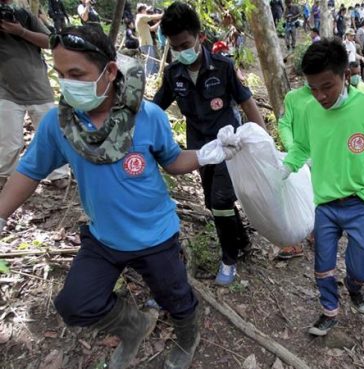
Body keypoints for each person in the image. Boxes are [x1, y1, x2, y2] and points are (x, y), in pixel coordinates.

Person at [0, 25, 239, 369]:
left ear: (109, 71)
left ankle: (188, 336)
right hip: (104, 238)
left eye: (77, 74)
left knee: (176, 300)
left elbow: (172, 162)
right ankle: (134, 326)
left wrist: (206, 153)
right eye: (62, 74)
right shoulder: (59, 124)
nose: (68, 84)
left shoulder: (148, 117)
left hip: (155, 235)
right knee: (75, 305)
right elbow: (29, 171)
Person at [281, 38, 364, 336]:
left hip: (361, 202)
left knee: (362, 264)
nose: (320, 96)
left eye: (326, 86)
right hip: (324, 202)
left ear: (346, 75)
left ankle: (355, 286)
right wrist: (287, 167)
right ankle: (329, 310)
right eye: (312, 88)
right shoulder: (309, 109)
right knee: (323, 265)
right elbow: (301, 146)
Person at [153, 2, 265, 286]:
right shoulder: (173, 74)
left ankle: (229, 259)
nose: (181, 51)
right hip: (200, 151)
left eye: (185, 44)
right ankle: (241, 241)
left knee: (221, 200)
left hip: (229, 146)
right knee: (211, 201)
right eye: (175, 47)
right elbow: (155, 109)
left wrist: (262, 143)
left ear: (200, 37)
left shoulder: (224, 66)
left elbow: (248, 105)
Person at [0, 0, 68, 191]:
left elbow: (51, 41)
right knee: (9, 141)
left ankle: (59, 175)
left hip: (39, 89)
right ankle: (4, 176)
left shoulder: (24, 15)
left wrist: (20, 31)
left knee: (51, 134)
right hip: (6, 90)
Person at [276, 84, 315, 259]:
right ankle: (292, 242)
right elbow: (284, 124)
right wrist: (293, 150)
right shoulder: (293, 97)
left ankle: (316, 234)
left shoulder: (333, 96)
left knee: (318, 198)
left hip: (324, 159)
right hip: (296, 160)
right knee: (292, 197)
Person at [135, 3, 162, 77]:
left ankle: (150, 76)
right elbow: (151, 17)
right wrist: (162, 15)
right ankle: (148, 77)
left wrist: (160, 21)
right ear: (142, 10)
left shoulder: (142, 20)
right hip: (146, 43)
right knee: (149, 62)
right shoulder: (141, 16)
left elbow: (152, 29)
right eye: (145, 10)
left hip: (146, 43)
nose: (146, 11)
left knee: (151, 61)